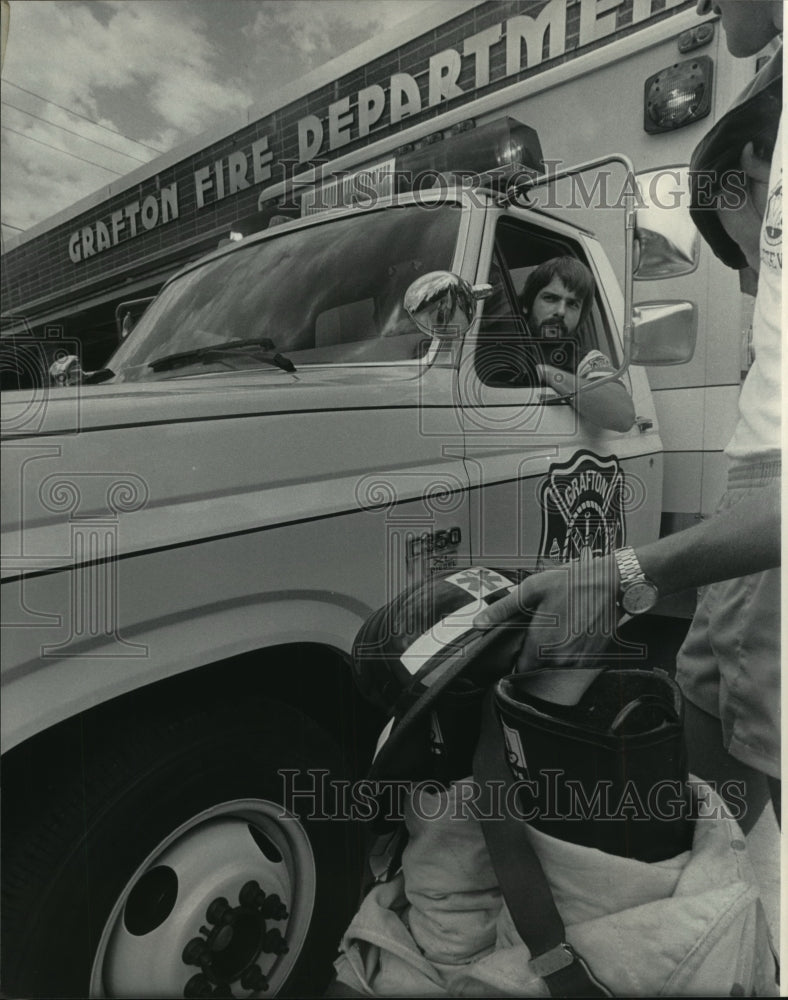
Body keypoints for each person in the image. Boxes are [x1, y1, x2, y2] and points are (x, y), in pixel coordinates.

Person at [476, 0, 782, 835]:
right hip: (733, 529)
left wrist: (620, 572)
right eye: (544, 296)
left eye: (748, 247)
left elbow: (613, 406)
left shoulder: (590, 358)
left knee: (751, 725)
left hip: (725, 535)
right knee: (709, 695)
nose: (753, 279)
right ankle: (715, 876)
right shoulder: (503, 340)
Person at [519, 256, 636, 432]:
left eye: (572, 304)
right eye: (550, 298)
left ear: (581, 316)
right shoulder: (501, 344)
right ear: (527, 304)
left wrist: (547, 373)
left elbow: (623, 415)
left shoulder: (586, 359)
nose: (560, 311)